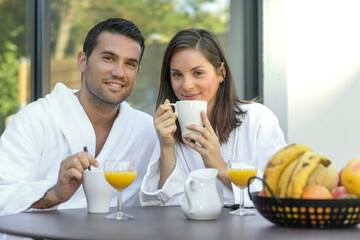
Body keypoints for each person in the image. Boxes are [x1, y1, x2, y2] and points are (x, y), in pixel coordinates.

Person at [0, 18, 159, 216]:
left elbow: (165, 200)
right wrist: (54, 194)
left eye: (130, 63)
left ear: (137, 72)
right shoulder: (36, 119)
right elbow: (3, 194)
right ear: (82, 61)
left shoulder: (146, 131)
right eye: (108, 58)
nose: (119, 72)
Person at [140, 29, 286, 207]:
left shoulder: (258, 120)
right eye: (177, 75)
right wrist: (166, 147)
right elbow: (164, 206)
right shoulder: (168, 130)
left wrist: (220, 167)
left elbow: (278, 192)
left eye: (198, 73)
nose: (186, 86)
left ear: (221, 73)